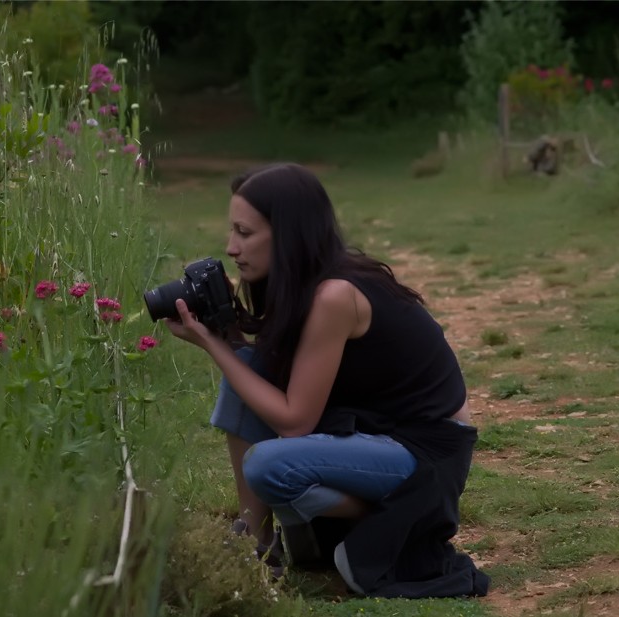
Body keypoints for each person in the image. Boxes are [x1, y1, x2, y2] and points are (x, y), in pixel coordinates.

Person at [164, 163, 489, 598]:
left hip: (425, 452)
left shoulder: (335, 295)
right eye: (232, 232)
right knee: (246, 367)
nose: (231, 247)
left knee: (267, 463)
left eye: (245, 233)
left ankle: (397, 515)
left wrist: (213, 347)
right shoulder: (304, 284)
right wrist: (230, 338)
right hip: (372, 429)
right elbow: (274, 376)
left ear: (287, 233)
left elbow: (294, 422)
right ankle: (255, 545)